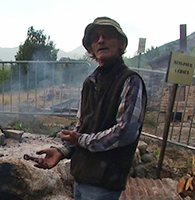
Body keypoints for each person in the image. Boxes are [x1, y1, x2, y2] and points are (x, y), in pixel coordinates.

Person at [34, 16, 147, 200]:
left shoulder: (130, 80)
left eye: (107, 35)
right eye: (95, 37)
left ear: (120, 44)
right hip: (81, 176)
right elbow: (81, 128)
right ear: (91, 49)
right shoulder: (90, 83)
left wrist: (82, 140)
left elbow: (126, 131)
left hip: (104, 182)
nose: (101, 40)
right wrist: (62, 151)